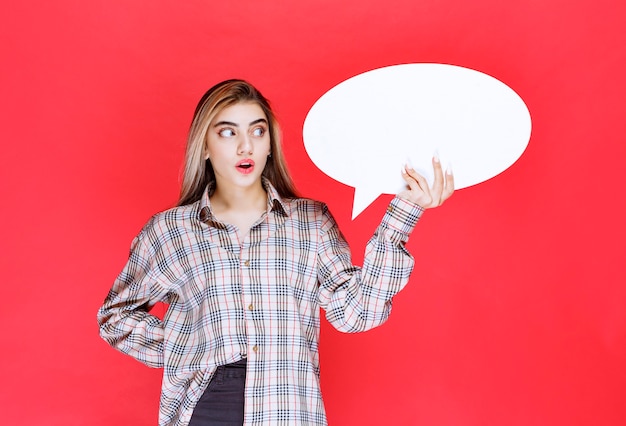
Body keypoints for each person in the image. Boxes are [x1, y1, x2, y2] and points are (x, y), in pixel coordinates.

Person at [97, 79, 454, 426]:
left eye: (257, 131)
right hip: (206, 407)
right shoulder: (170, 231)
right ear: (204, 146)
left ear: (270, 144)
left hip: (288, 407)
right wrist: (184, 347)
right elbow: (115, 317)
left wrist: (404, 212)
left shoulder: (310, 222)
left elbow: (357, 314)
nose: (245, 147)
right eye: (227, 132)